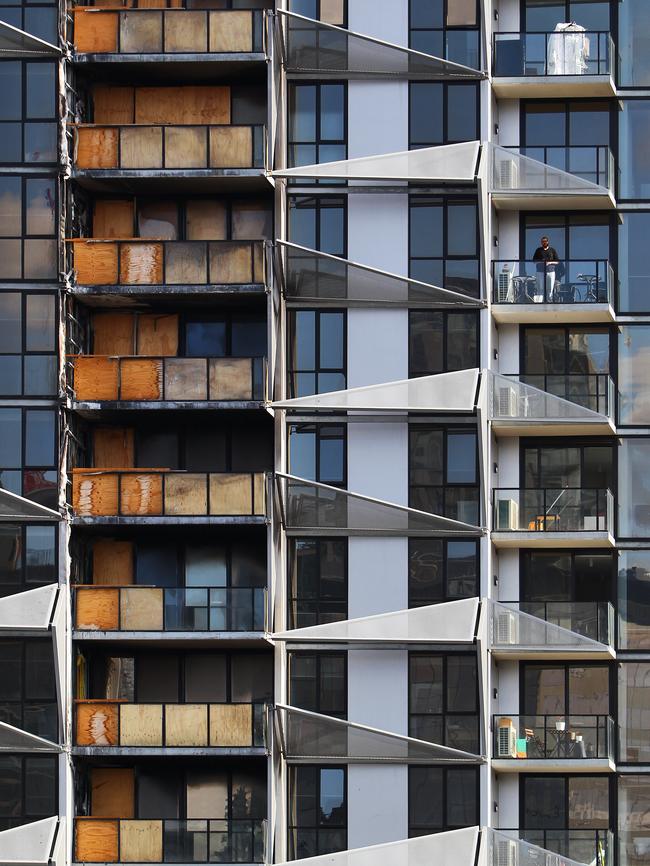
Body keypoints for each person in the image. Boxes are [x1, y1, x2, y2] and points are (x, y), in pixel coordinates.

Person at [532, 236, 560, 302]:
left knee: (550, 289)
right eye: (542, 242)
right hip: (540, 272)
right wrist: (542, 262)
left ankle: (549, 303)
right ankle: (540, 303)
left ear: (547, 242)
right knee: (540, 289)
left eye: (545, 241)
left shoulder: (552, 250)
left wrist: (550, 262)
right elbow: (534, 261)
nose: (543, 243)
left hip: (550, 272)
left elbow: (557, 261)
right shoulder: (538, 250)